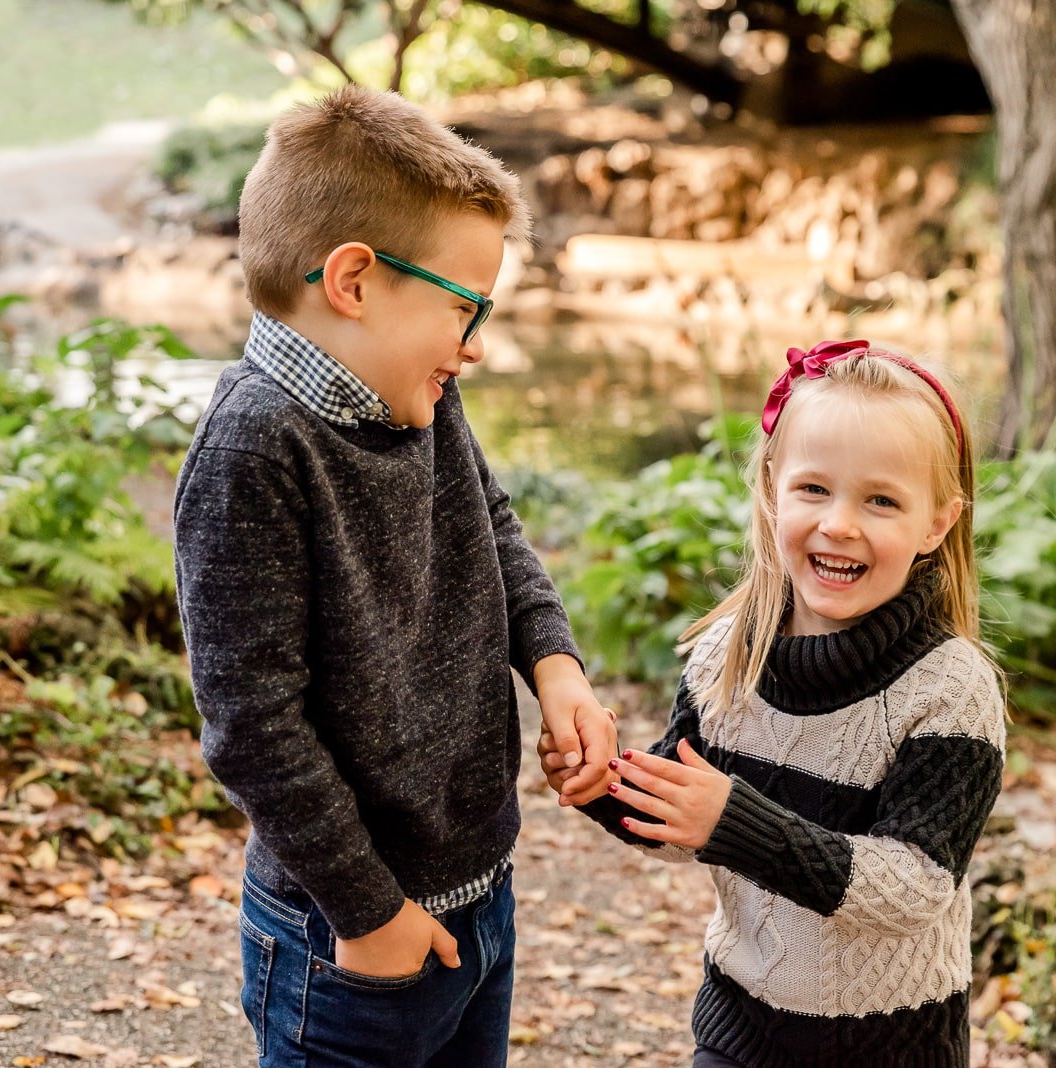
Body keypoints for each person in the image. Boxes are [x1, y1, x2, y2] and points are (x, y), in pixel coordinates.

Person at [173, 86, 616, 1068]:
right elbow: (251, 721)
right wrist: (373, 917)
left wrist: (556, 666)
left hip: (476, 893)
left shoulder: (412, 392)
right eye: (466, 308)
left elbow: (487, 522)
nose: (475, 343)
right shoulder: (253, 448)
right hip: (349, 944)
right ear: (355, 280)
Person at [541, 339, 1006, 1067]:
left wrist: (735, 822)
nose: (840, 523)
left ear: (936, 524)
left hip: (890, 1044)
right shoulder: (727, 656)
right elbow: (679, 817)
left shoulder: (951, 691)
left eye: (881, 500)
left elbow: (914, 886)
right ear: (771, 488)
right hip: (742, 1026)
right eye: (814, 490)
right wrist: (601, 780)